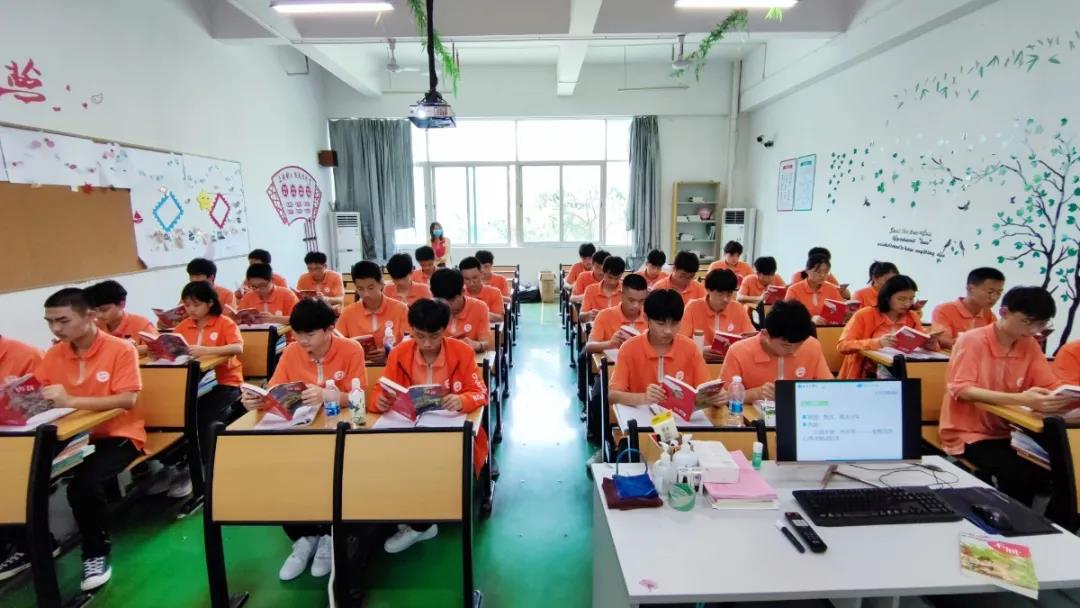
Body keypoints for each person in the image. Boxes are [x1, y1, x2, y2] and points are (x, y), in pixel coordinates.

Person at [241, 299, 367, 581]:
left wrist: (328, 395)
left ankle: (328, 536)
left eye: (310, 334)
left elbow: (358, 397)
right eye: (298, 333)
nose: (302, 340)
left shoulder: (350, 349)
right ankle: (304, 538)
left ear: (329, 329)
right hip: (298, 430)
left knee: (330, 476)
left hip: (337, 431)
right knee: (286, 476)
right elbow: (276, 391)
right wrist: (257, 401)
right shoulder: (291, 352)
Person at [35, 288, 143, 591]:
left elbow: (127, 399)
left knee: (83, 487)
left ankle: (95, 552)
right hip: (71, 434)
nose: (56, 329)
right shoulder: (55, 353)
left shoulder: (121, 349)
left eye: (63, 320)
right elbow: (41, 393)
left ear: (90, 315)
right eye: (50, 322)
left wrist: (70, 400)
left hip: (117, 434)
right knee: (20, 475)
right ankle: (32, 544)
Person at [939, 287, 1078, 505]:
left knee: (1061, 465)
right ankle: (1012, 520)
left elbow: (1049, 383)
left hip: (1012, 430)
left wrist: (1067, 393)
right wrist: (1023, 399)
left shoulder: (1029, 344)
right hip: (970, 432)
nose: (1033, 330)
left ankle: (1054, 521)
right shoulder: (973, 340)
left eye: (1041, 324)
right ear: (1004, 312)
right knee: (1018, 475)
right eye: (1027, 322)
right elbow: (962, 390)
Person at [371, 298, 488, 553]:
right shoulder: (400, 352)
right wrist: (379, 400)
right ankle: (413, 513)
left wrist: (462, 400)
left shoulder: (461, 352)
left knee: (430, 459)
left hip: (449, 430)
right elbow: (382, 388)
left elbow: (480, 392)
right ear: (411, 329)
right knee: (386, 456)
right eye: (419, 336)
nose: (426, 343)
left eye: (434, 336)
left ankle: (421, 524)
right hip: (407, 425)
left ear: (445, 329)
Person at [153, 281, 245, 498]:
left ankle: (198, 468)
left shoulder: (224, 323)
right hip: (192, 384)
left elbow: (238, 347)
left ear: (209, 303)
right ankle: (173, 464)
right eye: (187, 305)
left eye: (196, 305)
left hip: (224, 382)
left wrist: (206, 350)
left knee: (202, 416)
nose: (191, 310)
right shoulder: (184, 326)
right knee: (167, 415)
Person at [608, 289, 726, 409]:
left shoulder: (690, 348)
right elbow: (612, 395)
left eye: (674, 324)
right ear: (646, 318)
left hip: (680, 417)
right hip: (641, 416)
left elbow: (705, 388)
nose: (668, 331)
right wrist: (643, 398)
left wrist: (716, 397)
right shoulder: (629, 348)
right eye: (661, 324)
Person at [720, 301, 833, 402]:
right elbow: (722, 397)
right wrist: (755, 394)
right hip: (753, 417)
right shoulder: (739, 351)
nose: (793, 350)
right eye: (786, 345)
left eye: (799, 344)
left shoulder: (812, 345)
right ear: (766, 334)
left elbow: (829, 389)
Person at [836, 275, 936, 379]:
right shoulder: (865, 315)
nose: (907, 304)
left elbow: (920, 341)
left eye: (911, 299)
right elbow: (843, 346)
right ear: (887, 297)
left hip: (904, 371)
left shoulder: (912, 316)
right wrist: (878, 343)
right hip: (866, 375)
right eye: (901, 299)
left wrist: (930, 345)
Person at [337, 261, 409, 364]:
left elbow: (411, 344)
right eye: (360, 288)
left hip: (394, 366)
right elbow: (337, 346)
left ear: (381, 283)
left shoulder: (401, 309)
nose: (366, 294)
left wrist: (389, 351)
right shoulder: (348, 313)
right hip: (359, 367)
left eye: (371, 288)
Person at [680, 269, 755, 358]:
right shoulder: (693, 307)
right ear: (708, 290)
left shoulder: (738, 308)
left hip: (731, 360)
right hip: (699, 359)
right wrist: (699, 350)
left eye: (729, 294)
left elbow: (751, 339)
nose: (725, 299)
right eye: (720, 294)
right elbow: (681, 340)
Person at [931, 267, 1006, 350]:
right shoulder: (944, 310)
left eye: (999, 293)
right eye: (990, 292)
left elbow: (996, 342)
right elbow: (943, 341)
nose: (994, 297)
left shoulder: (989, 315)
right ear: (970, 289)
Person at [429, 268, 492, 353]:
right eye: (441, 300)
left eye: (451, 300)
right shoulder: (428, 309)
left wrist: (477, 345)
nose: (446, 305)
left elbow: (487, 343)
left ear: (462, 291)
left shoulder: (479, 307)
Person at [84, 280, 155, 353]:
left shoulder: (142, 324)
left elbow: (155, 351)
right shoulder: (95, 326)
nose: (99, 315)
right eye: (95, 310)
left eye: (104, 310)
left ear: (122, 304)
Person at [785, 254, 845, 325]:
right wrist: (810, 319)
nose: (822, 275)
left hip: (828, 329)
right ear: (807, 270)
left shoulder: (832, 289)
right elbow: (787, 316)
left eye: (826, 272)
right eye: (818, 272)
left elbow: (839, 313)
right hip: (802, 329)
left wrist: (847, 313)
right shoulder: (793, 290)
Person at [460, 256, 505, 322]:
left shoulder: (495, 292)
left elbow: (500, 318)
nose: (471, 283)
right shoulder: (459, 295)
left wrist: (479, 312)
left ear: (481, 274)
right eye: (467, 279)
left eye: (475, 278)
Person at [580, 256, 626, 322]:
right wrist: (589, 315)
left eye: (617, 278)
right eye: (609, 277)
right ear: (603, 272)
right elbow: (581, 317)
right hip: (597, 326)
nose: (612, 282)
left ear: (621, 275)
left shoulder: (627, 290)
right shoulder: (591, 290)